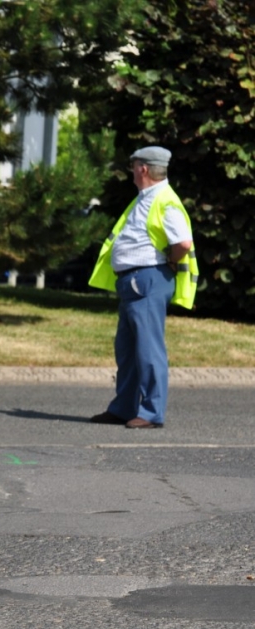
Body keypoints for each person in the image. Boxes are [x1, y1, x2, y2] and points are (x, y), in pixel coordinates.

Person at [88, 146, 198, 429]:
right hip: (135, 282)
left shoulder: (164, 200)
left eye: (133, 165)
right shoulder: (146, 198)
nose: (132, 171)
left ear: (143, 169)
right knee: (127, 350)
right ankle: (123, 408)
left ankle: (151, 413)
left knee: (149, 350)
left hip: (148, 280)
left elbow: (183, 242)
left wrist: (171, 261)